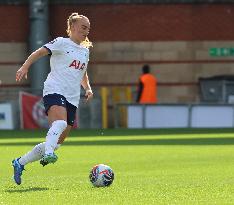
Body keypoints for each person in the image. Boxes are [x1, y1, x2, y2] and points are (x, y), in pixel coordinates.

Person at [12, 12, 93, 185]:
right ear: (72, 27)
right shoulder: (61, 42)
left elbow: (82, 73)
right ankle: (48, 154)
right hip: (54, 89)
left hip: (72, 98)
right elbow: (39, 52)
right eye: (83, 27)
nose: (86, 31)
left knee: (56, 143)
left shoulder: (85, 52)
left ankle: (20, 162)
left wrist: (87, 88)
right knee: (60, 124)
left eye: (88, 28)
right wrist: (25, 66)